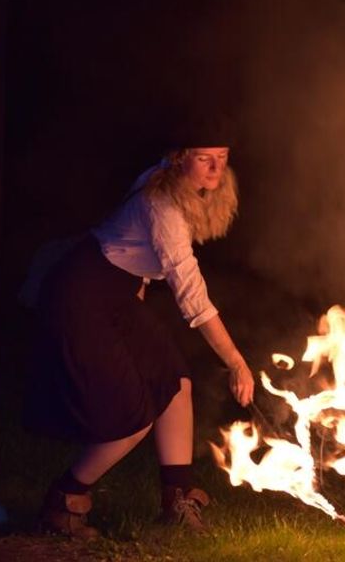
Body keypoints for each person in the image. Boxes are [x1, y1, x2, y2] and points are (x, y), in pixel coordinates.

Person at [24, 136, 255, 538]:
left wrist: (137, 299)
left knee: (175, 382)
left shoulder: (172, 183)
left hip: (120, 294)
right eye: (204, 159)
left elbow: (134, 255)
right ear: (179, 159)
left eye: (222, 159)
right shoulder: (162, 204)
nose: (215, 170)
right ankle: (64, 502)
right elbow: (192, 297)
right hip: (81, 295)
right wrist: (236, 361)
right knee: (131, 417)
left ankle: (175, 502)